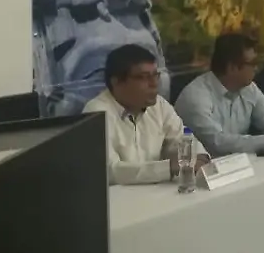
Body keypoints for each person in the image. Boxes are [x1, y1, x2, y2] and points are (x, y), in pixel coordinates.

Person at [83, 44, 208, 184]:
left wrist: (199, 157)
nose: (154, 83)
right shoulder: (96, 113)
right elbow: (110, 171)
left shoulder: (159, 105)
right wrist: (168, 167)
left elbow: (183, 140)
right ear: (116, 82)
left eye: (156, 75)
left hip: (156, 193)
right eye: (143, 77)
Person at [175, 33, 264, 156]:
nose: (256, 68)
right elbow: (217, 143)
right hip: (202, 167)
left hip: (239, 164)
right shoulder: (195, 97)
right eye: (252, 63)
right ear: (232, 67)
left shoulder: (249, 88)